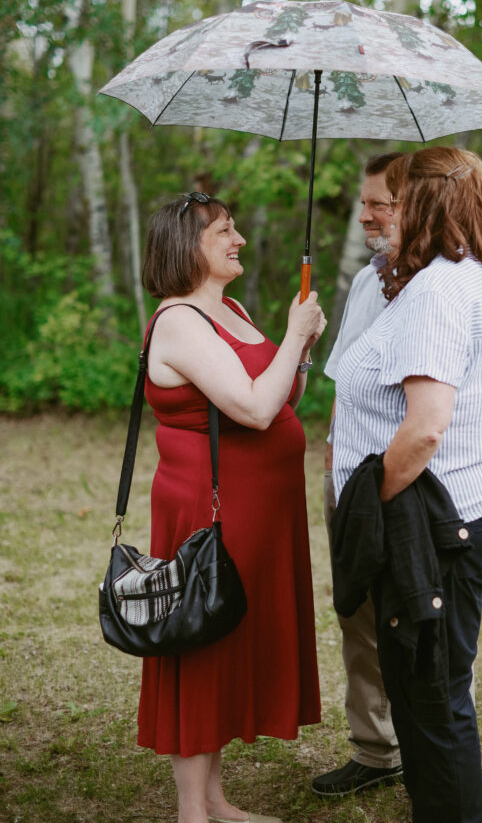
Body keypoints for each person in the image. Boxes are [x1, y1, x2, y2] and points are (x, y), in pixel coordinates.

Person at [329, 147, 482, 823]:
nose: (382, 210)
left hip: (442, 518)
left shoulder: (441, 289)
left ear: (424, 204)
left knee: (432, 693)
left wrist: (374, 504)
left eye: (394, 197)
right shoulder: (461, 275)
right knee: (420, 688)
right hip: (466, 502)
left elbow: (424, 429)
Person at [137, 191, 326, 823]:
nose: (238, 238)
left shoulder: (233, 308)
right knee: (204, 640)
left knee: (233, 638)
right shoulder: (179, 321)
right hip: (210, 507)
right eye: (223, 230)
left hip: (258, 507)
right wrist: (294, 332)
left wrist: (299, 349)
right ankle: (194, 811)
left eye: (235, 227)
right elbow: (251, 407)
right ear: (187, 246)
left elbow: (284, 394)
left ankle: (216, 799)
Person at [312, 153, 404, 798]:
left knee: (420, 624)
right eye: (364, 201)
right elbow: (346, 370)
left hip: (405, 481)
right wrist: (335, 438)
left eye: (382, 203)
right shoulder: (367, 280)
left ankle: (432, 755)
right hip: (348, 474)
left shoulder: (450, 282)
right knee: (358, 616)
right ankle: (375, 750)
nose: (367, 215)